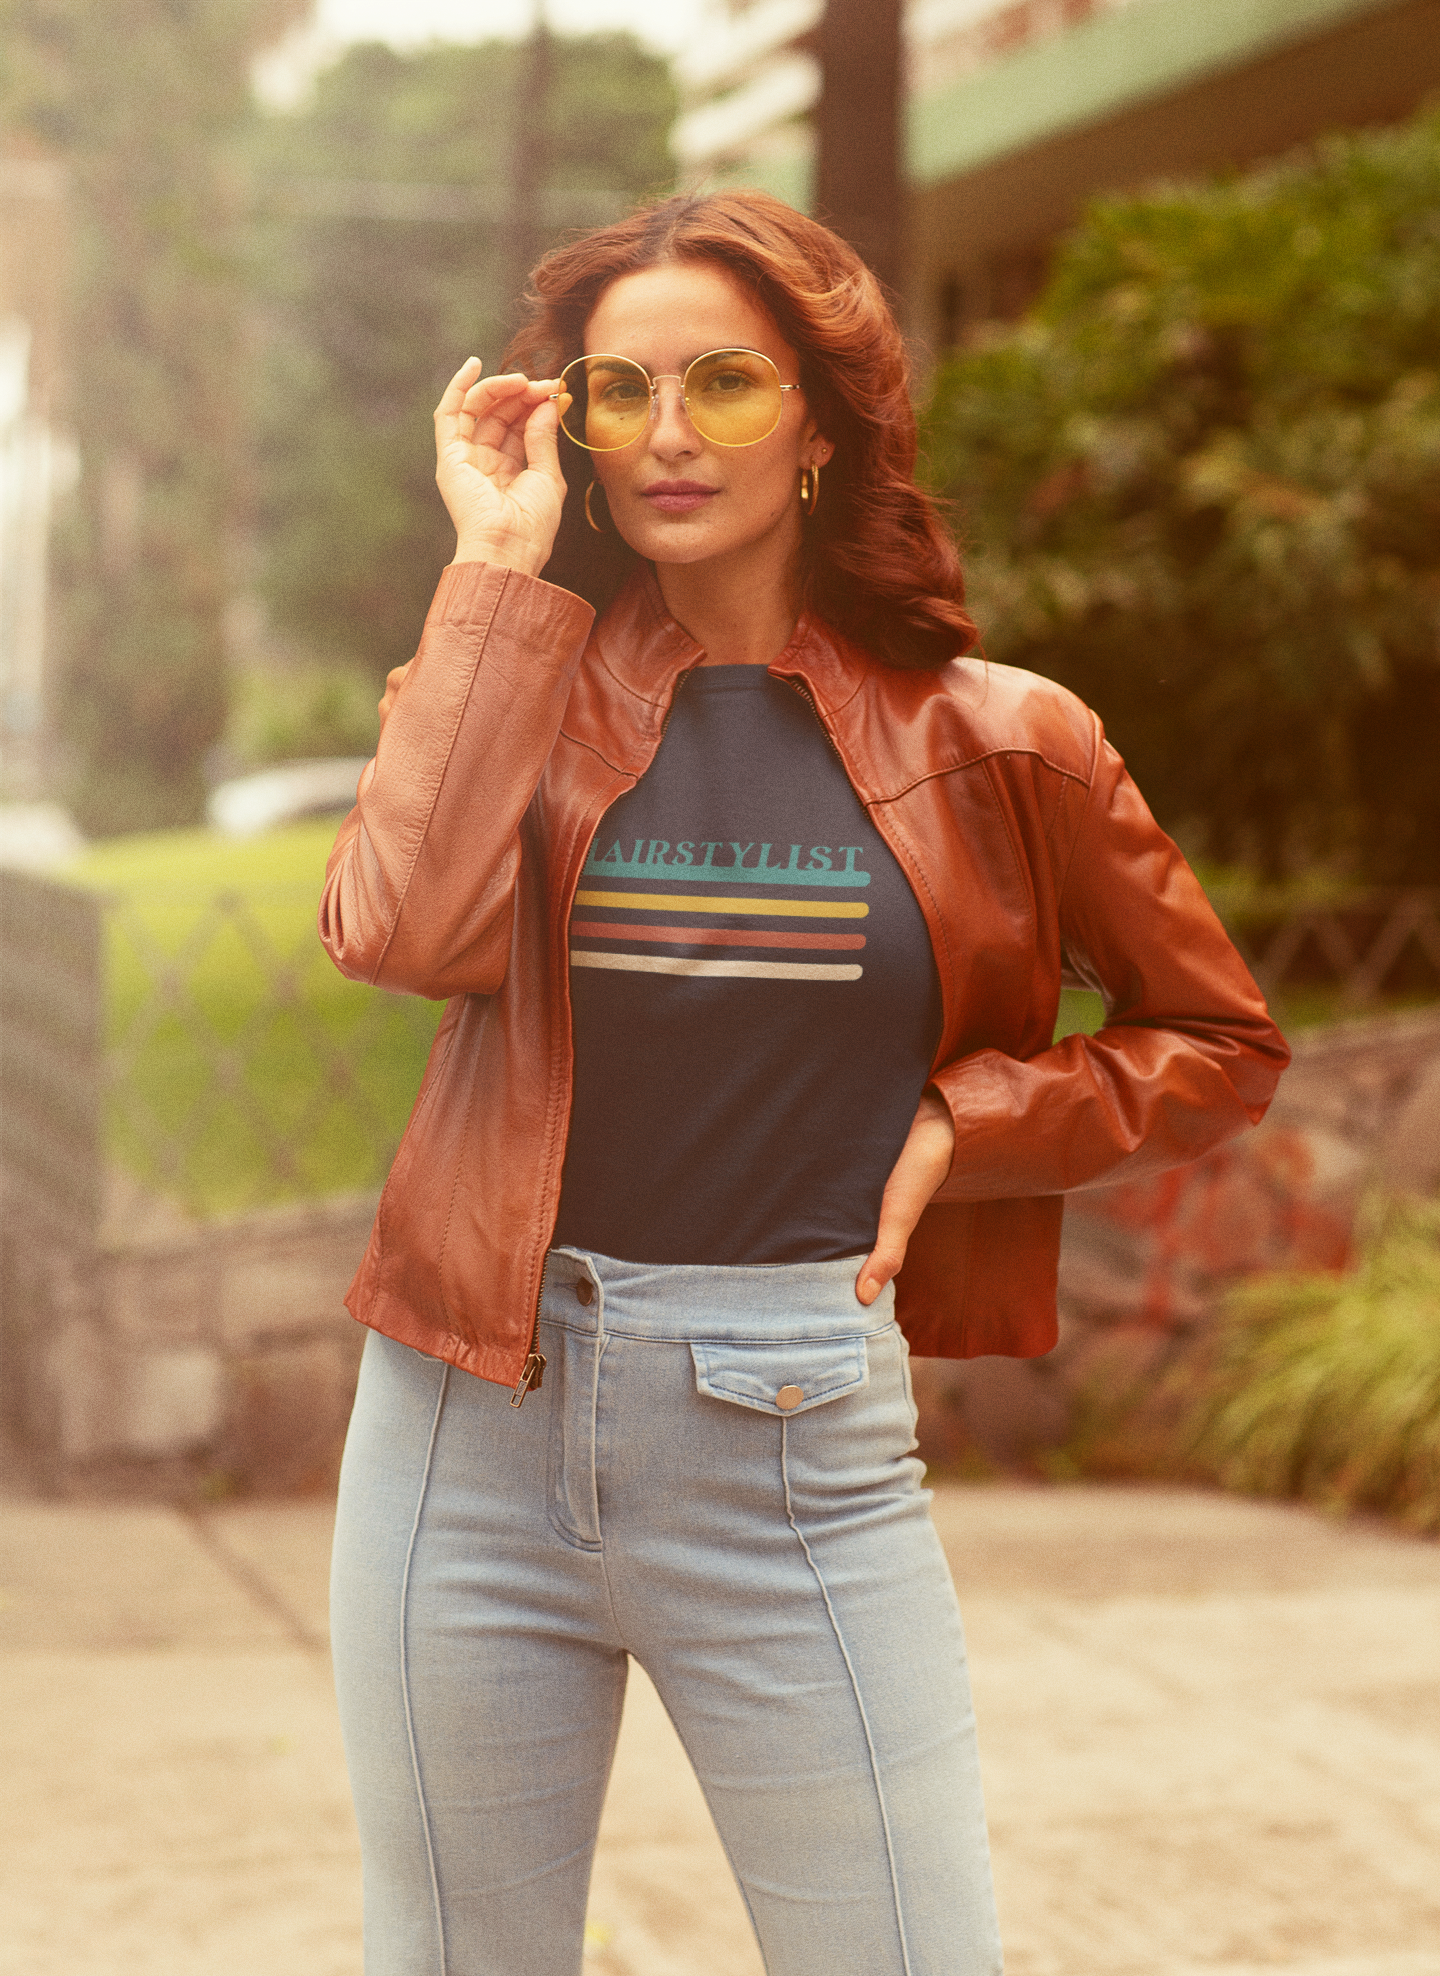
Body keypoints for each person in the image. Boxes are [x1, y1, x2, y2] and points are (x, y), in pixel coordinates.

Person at [320, 190, 1289, 1976]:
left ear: (826, 423)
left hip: (786, 1427)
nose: (669, 434)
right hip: (464, 1414)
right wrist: (491, 572)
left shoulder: (1004, 737)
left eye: (728, 383)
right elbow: (397, 932)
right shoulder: (503, 680)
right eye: (621, 390)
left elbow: (1221, 1044)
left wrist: (970, 1123)